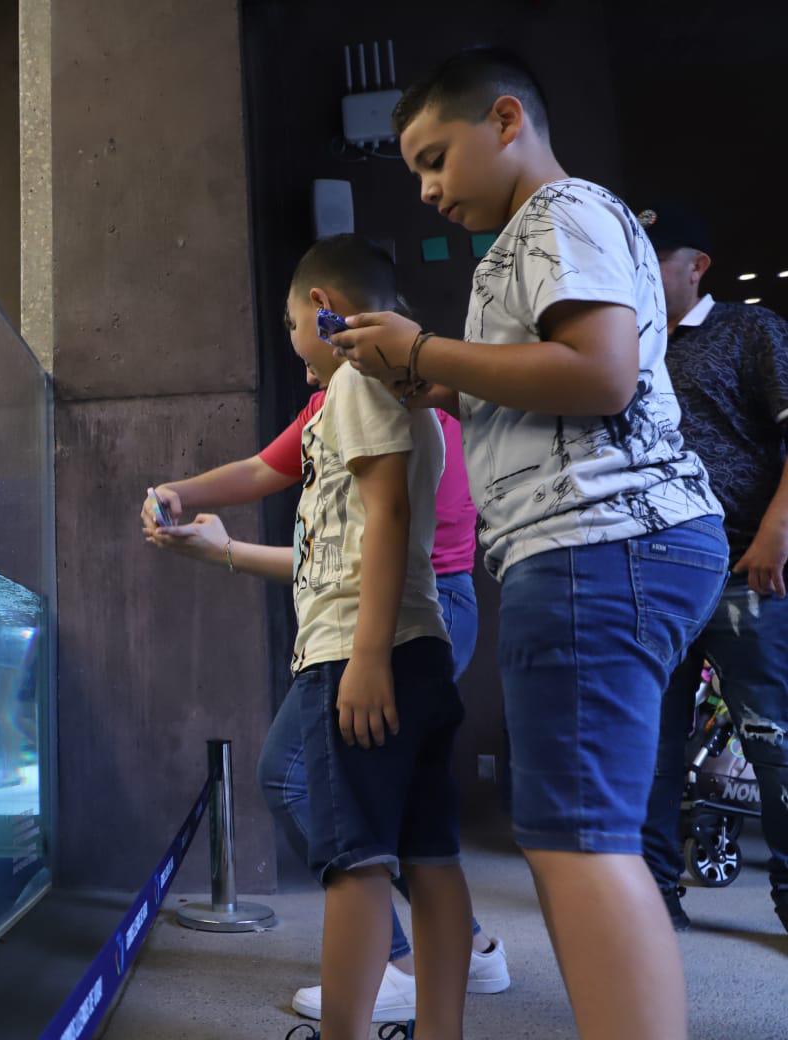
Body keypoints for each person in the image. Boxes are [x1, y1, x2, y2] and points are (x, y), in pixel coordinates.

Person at [332, 48, 727, 1040]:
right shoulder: (543, 233)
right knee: (573, 833)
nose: (424, 190)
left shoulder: (559, 213)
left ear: (506, 120)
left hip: (599, 542)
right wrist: (427, 379)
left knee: (581, 839)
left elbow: (599, 373)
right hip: (604, 546)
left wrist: (421, 351)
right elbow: (548, 382)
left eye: (433, 158)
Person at [158, 234, 474, 1040]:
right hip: (416, 645)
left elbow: (390, 517)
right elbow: (274, 473)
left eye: (292, 322)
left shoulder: (358, 385)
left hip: (357, 651)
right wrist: (182, 496)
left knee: (354, 861)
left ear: (322, 307)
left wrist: (366, 655)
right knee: (429, 854)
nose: (293, 342)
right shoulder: (377, 391)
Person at [635, 201, 788, 934]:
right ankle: (656, 896)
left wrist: (775, 532)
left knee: (772, 738)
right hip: (654, 573)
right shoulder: (625, 343)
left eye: (654, 258)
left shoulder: (751, 330)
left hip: (743, 570)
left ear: (696, 267)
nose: (638, 270)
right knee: (649, 747)